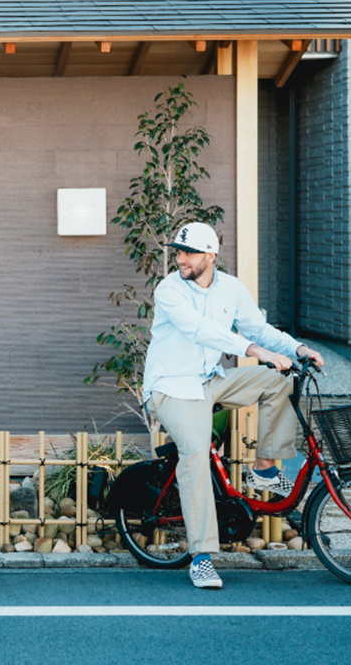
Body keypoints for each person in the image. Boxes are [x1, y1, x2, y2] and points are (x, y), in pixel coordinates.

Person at [142, 222, 324, 589]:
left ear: (210, 255)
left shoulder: (230, 288)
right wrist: (255, 352)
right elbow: (200, 330)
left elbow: (259, 329)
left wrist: (298, 349)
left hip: (210, 380)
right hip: (172, 388)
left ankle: (264, 469)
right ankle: (202, 557)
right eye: (177, 251)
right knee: (193, 455)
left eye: (187, 252)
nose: (179, 258)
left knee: (280, 380)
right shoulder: (169, 290)